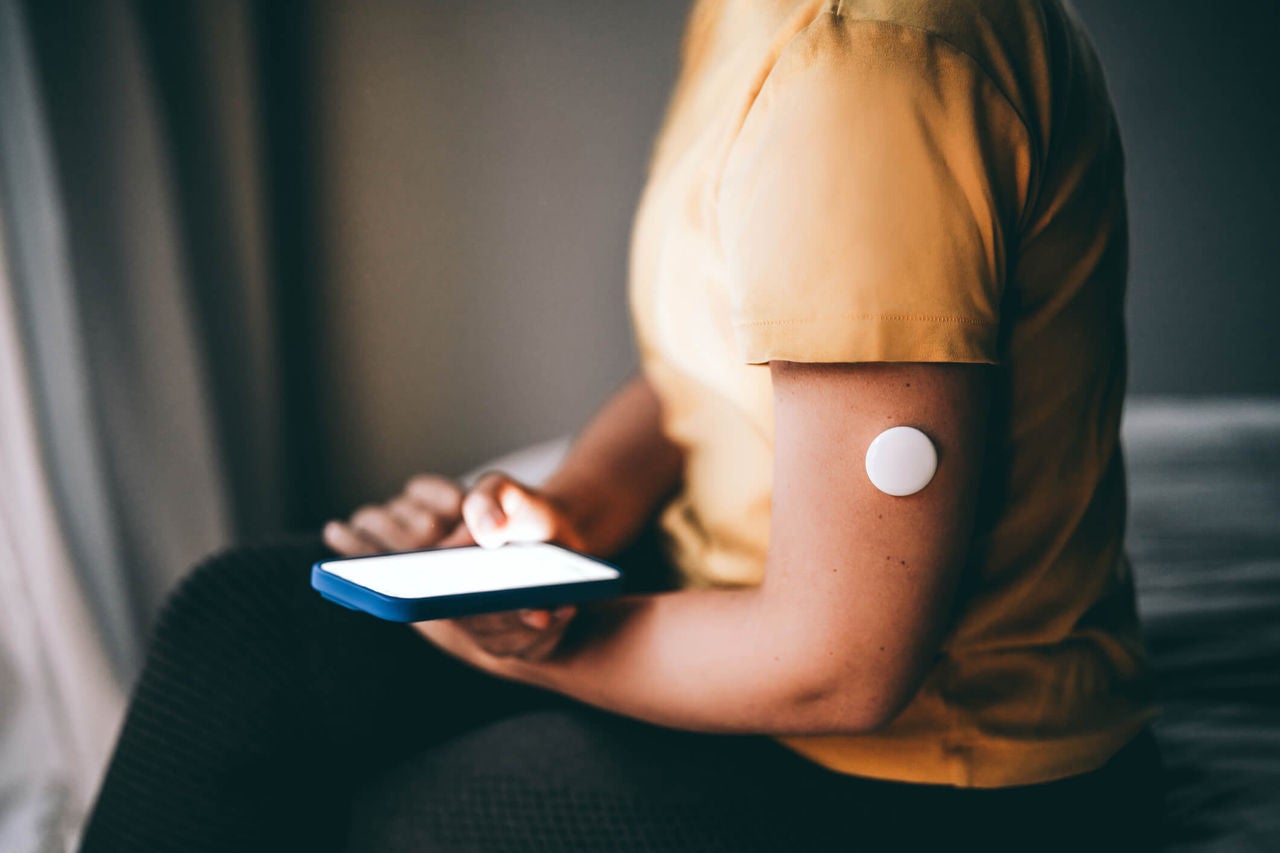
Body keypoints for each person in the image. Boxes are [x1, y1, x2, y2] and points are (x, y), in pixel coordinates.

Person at [78, 0, 1166, 850]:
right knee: (243, 624)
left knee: (407, 822)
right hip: (741, 600)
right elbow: (698, 375)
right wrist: (570, 516)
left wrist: (510, 649)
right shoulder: (759, 24)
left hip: (933, 774)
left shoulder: (867, 69)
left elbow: (842, 665)